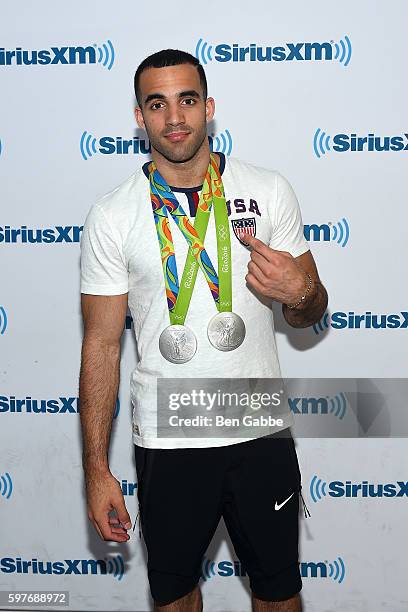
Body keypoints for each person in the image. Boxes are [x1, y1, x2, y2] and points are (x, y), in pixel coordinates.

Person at [79, 49, 328, 612]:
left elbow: (309, 311)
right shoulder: (114, 214)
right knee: (175, 599)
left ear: (209, 107)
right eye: (157, 104)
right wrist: (96, 470)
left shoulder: (268, 190)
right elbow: (99, 346)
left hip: (258, 431)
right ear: (139, 118)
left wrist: (302, 291)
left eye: (187, 101)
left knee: (279, 596)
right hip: (170, 439)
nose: (174, 118)